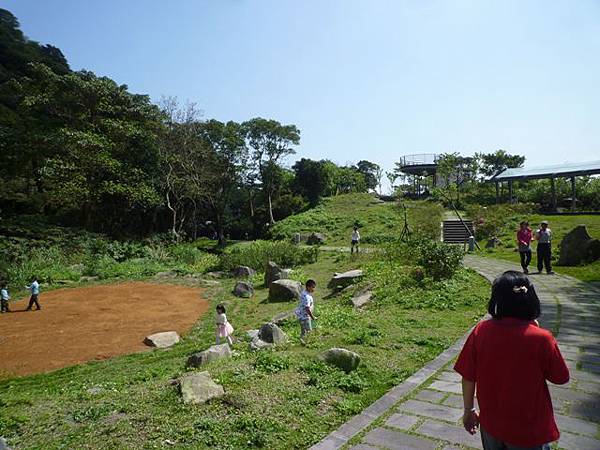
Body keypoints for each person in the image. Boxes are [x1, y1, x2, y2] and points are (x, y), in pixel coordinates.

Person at [454, 271, 569, 450]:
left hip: (491, 425)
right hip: (529, 429)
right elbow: (561, 377)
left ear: (497, 300)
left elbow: (468, 375)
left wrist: (468, 410)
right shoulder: (541, 338)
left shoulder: (481, 331)